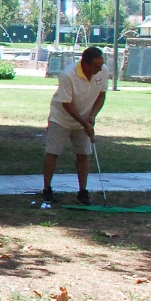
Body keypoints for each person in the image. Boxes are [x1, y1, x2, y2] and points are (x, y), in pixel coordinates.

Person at [42, 46, 109, 205]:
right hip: (61, 118)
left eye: (101, 65)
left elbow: (101, 95)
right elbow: (67, 104)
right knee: (53, 152)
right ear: (85, 63)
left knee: (83, 154)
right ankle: (47, 189)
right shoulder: (68, 75)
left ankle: (83, 191)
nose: (100, 69)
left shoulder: (102, 71)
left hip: (85, 119)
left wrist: (91, 117)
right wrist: (83, 123)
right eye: (96, 66)